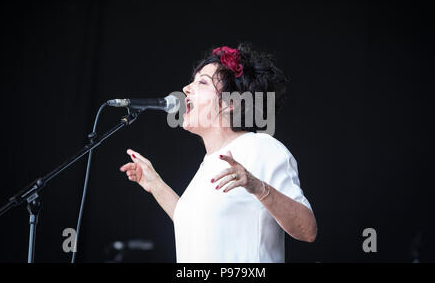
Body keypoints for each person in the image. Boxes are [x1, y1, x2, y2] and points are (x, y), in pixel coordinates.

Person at [120, 43, 317, 262]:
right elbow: (196, 231)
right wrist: (155, 185)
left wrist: (258, 187)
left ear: (230, 103)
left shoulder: (262, 147)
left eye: (202, 82)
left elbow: (307, 230)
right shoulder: (207, 165)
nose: (186, 88)